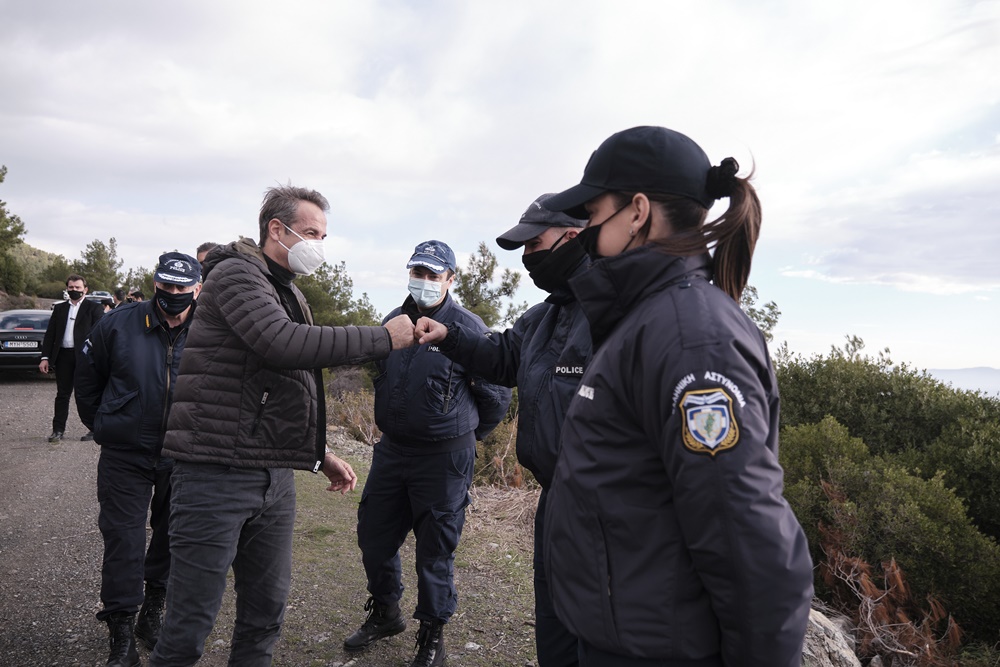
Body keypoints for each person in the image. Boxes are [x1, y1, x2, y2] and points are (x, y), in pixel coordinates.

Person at [538, 126, 814, 667]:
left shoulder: (692, 338)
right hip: (627, 634)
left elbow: (746, 534)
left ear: (637, 211)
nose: (587, 231)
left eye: (593, 214)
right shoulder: (646, 319)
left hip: (657, 649)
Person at [148, 184, 416, 667]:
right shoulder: (235, 276)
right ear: (278, 229)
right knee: (190, 623)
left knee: (265, 612)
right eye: (311, 232)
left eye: (323, 235)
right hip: (214, 474)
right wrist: (382, 338)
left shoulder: (285, 287)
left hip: (272, 474)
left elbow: (290, 382)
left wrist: (315, 452)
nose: (319, 244)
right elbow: (284, 343)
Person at [414, 195, 589, 667]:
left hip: (606, 510)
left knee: (596, 635)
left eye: (535, 243)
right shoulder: (545, 315)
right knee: (553, 631)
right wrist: (449, 336)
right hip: (554, 502)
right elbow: (503, 358)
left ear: (572, 238)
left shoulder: (615, 317)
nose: (529, 257)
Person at [344, 240, 512, 667]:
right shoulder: (393, 321)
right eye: (417, 272)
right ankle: (386, 613)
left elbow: (495, 398)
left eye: (433, 275)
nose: (423, 281)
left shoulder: (469, 328)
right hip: (393, 451)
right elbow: (380, 375)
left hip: (445, 459)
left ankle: (432, 633)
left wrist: (460, 435)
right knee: (374, 538)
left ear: (450, 279)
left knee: (434, 550)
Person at [75, 253, 203, 667]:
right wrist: (105, 423)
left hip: (183, 455)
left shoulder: (210, 330)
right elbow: (88, 376)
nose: (173, 295)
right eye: (166, 286)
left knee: (172, 538)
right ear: (155, 284)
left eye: (182, 289)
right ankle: (122, 631)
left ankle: (153, 611)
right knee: (123, 540)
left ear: (197, 289)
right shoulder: (119, 322)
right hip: (126, 454)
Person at [38, 273, 105, 442]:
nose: (74, 290)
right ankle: (57, 431)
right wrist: (45, 357)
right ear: (67, 289)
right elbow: (50, 334)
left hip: (85, 357)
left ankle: (94, 429)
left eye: (78, 288)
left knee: (88, 394)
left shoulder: (94, 308)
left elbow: (100, 334)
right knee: (62, 394)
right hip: (63, 357)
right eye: (71, 288)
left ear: (85, 289)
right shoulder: (59, 309)